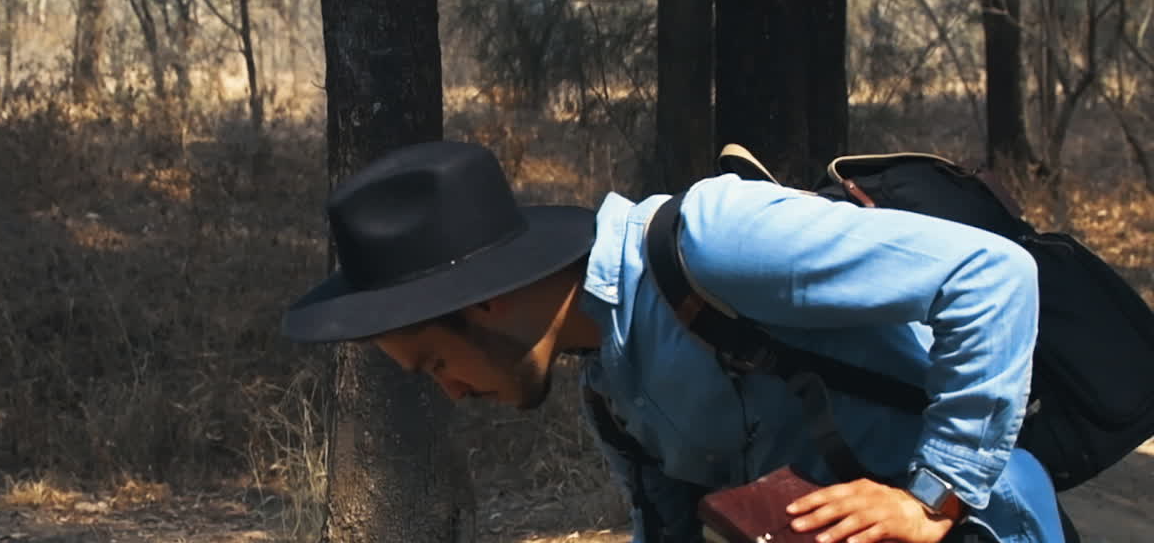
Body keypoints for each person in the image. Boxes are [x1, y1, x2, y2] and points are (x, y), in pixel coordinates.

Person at [283, 140, 1069, 543]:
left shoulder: (715, 243)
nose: (451, 392)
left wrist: (931, 496)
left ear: (483, 303)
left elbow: (992, 277)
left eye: (434, 363)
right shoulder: (609, 386)